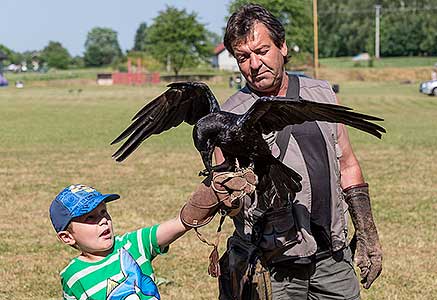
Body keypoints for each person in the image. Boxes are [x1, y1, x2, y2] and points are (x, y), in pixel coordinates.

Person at [215, 4, 382, 300]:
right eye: (243, 57)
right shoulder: (229, 117)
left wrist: (367, 233)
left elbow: (347, 166)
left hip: (332, 256)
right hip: (271, 263)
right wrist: (226, 194)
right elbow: (227, 197)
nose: (254, 65)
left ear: (282, 46)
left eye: (262, 51)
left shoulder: (322, 94)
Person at [50, 172, 256, 299]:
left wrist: (206, 199)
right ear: (67, 237)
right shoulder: (73, 276)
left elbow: (179, 224)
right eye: (89, 219)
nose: (103, 220)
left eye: (103, 212)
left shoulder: (132, 245)